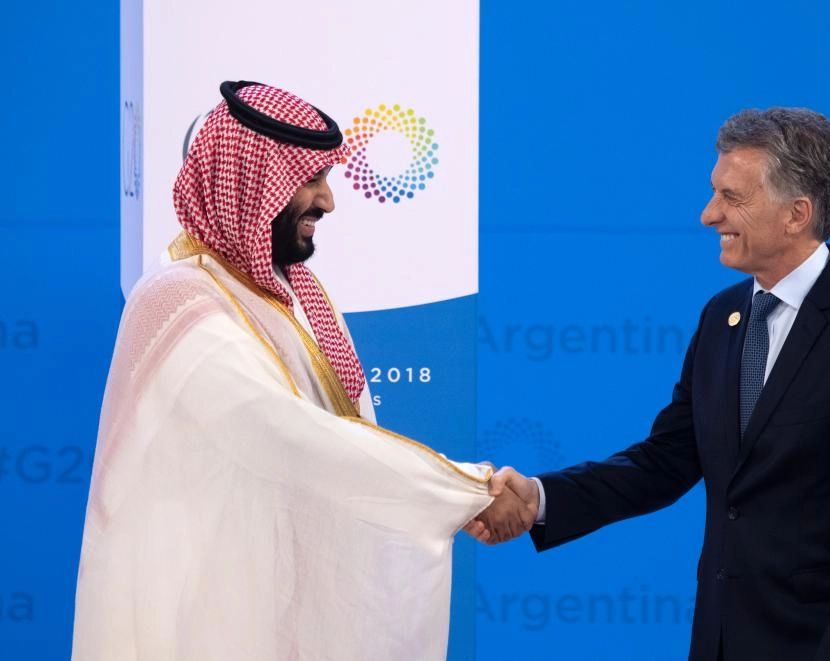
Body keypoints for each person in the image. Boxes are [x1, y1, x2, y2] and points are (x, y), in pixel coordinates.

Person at [468, 107, 830, 661]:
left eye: (731, 197)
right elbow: (666, 460)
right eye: (714, 192)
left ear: (797, 214)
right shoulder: (723, 317)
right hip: (724, 641)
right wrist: (541, 499)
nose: (708, 214)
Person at [73, 81, 508, 661]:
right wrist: (463, 488)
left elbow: (352, 430)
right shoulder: (178, 299)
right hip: (206, 617)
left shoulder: (293, 294)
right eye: (311, 179)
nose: (328, 201)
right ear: (251, 184)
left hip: (280, 610)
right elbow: (286, 436)